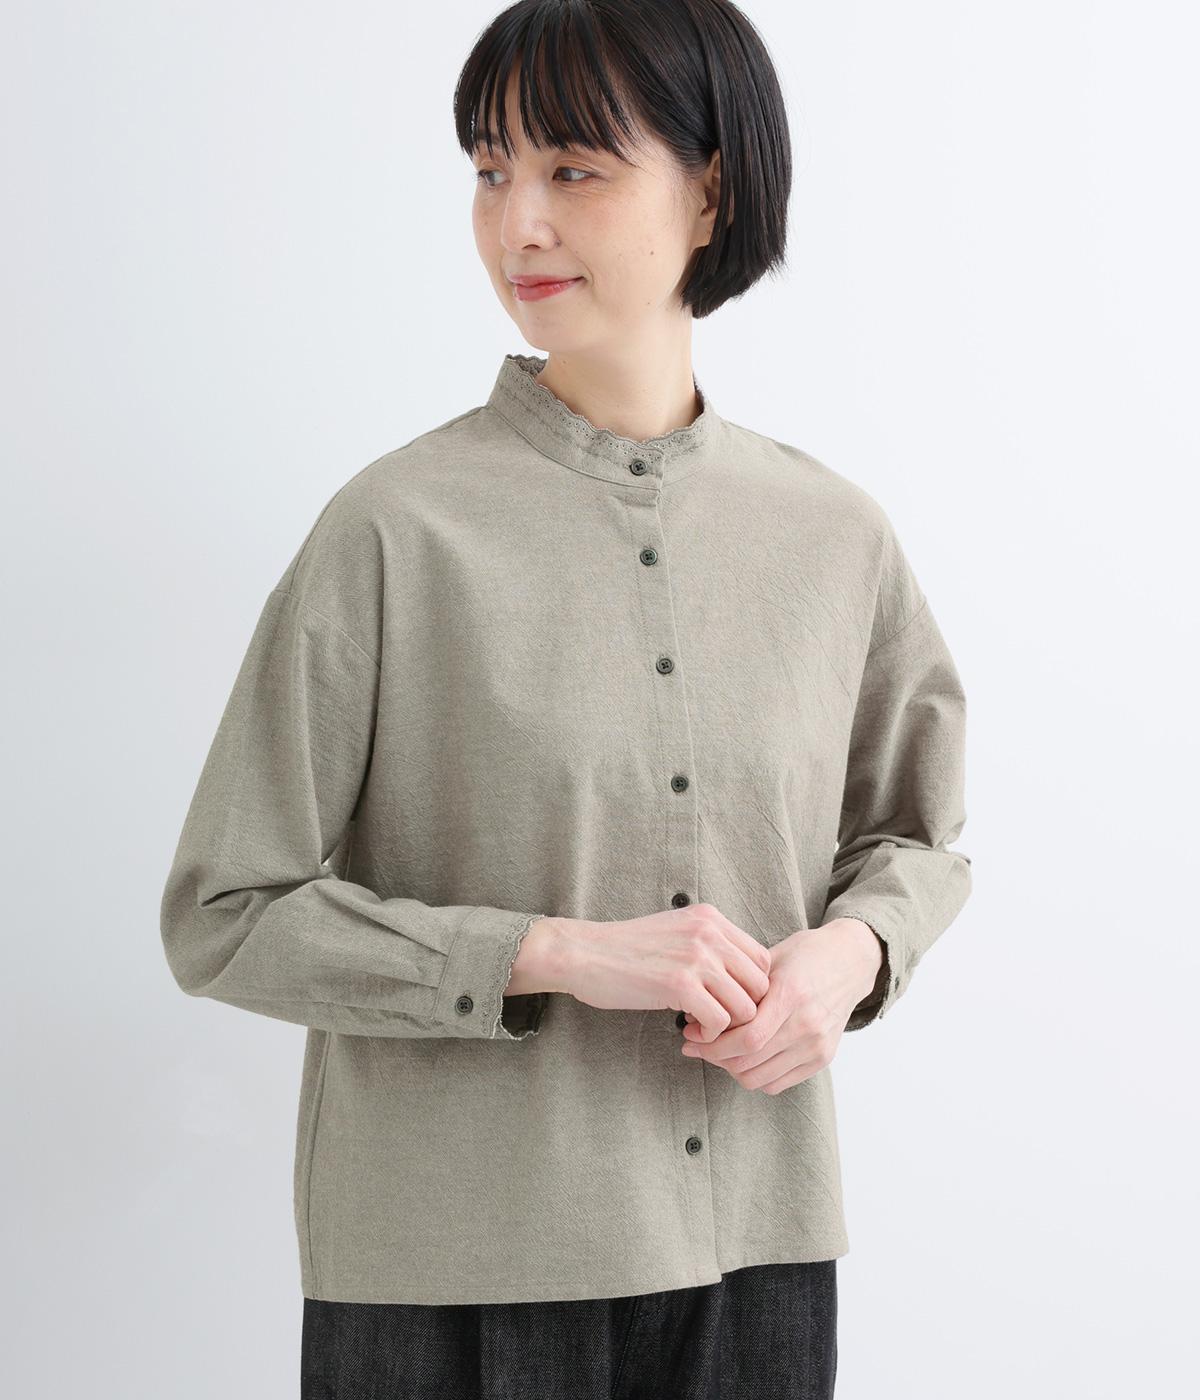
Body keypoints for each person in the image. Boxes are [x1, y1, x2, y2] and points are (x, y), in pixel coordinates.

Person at [160, 2, 972, 1396]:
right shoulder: (393, 532)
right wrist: (554, 953)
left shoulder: (834, 536)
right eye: (490, 172)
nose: (517, 223)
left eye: (573, 169)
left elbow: (916, 841)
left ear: (710, 190)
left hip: (759, 1255)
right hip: (456, 1268)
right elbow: (225, 917)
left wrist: (852, 957)